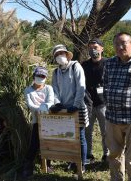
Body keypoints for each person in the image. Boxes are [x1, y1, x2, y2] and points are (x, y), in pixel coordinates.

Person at [103, 32, 131, 181]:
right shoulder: (110, 63)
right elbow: (105, 83)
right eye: (116, 44)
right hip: (112, 117)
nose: (120, 47)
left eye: (124, 43)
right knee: (114, 154)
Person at [50, 44, 89, 173]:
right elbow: (54, 89)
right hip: (63, 108)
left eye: (61, 53)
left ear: (67, 54)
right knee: (67, 136)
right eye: (57, 55)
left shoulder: (75, 66)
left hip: (77, 107)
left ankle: (82, 163)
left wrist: (76, 105)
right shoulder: (56, 72)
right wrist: (57, 103)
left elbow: (81, 86)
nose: (59, 56)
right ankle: (71, 161)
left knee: (80, 136)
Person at [22, 66, 54, 178]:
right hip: (37, 121)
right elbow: (30, 105)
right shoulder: (28, 90)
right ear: (34, 76)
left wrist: (44, 108)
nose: (40, 78)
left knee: (48, 142)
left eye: (42, 76)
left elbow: (50, 102)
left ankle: (47, 165)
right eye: (38, 75)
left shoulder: (49, 88)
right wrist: (42, 108)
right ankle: (28, 166)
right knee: (34, 144)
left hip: (49, 120)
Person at [82, 38, 108, 163]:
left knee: (106, 131)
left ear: (102, 48)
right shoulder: (84, 65)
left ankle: (106, 154)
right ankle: (88, 155)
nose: (93, 50)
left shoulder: (108, 64)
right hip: (88, 104)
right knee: (88, 131)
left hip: (104, 104)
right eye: (91, 48)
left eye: (96, 47)